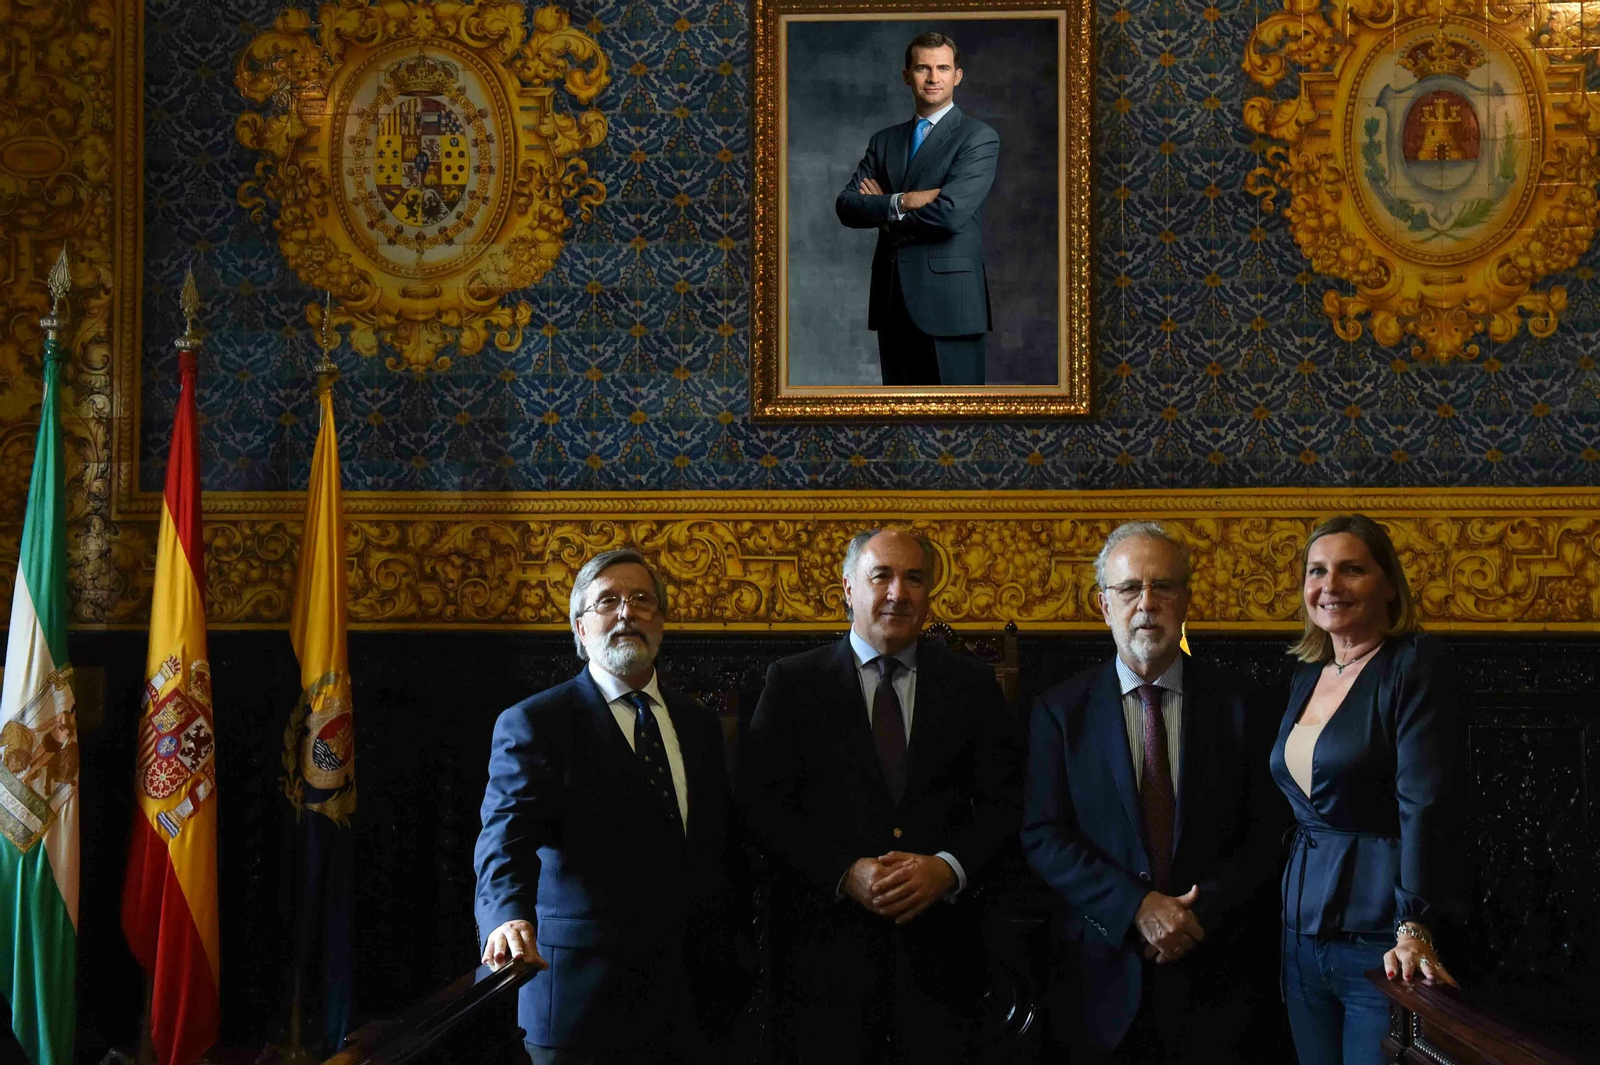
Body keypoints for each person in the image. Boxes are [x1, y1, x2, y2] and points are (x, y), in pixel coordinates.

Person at [738, 528, 1020, 1063]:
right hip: (824, 955)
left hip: (942, 952)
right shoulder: (793, 683)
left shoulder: (970, 683)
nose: (898, 593)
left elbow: (1006, 802)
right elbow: (761, 807)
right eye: (881, 576)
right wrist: (844, 871)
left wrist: (948, 868)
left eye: (914, 578)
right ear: (848, 588)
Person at [1021, 522, 1287, 1063]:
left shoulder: (1243, 705)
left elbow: (1267, 832)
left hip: (1218, 974)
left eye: (1163, 586)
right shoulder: (1060, 712)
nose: (1146, 603)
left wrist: (1195, 915)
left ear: (1186, 599)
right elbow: (1043, 834)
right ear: (1104, 605)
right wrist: (1136, 907)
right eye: (1129, 588)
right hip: (1098, 976)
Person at [473, 548, 741, 1065]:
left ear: (660, 622)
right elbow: (505, 835)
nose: (626, 613)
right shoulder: (537, 721)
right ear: (580, 626)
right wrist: (506, 916)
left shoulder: (699, 723)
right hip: (582, 1002)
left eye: (642, 600)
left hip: (693, 999)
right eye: (608, 601)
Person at [1273, 514, 1458, 1065]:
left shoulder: (1414, 663)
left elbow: (1425, 802)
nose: (1330, 585)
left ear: (1388, 585)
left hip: (1380, 940)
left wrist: (1414, 923)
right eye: (1317, 571)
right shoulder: (1308, 674)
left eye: (1351, 570)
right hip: (1298, 936)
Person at [835, 32, 998, 386]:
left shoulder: (977, 137)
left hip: (951, 307)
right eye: (923, 67)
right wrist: (903, 201)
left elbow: (950, 214)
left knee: (955, 417)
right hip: (892, 304)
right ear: (906, 75)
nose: (933, 77)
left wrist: (884, 215)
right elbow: (847, 205)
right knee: (901, 419)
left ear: (957, 75)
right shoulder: (884, 140)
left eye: (943, 68)